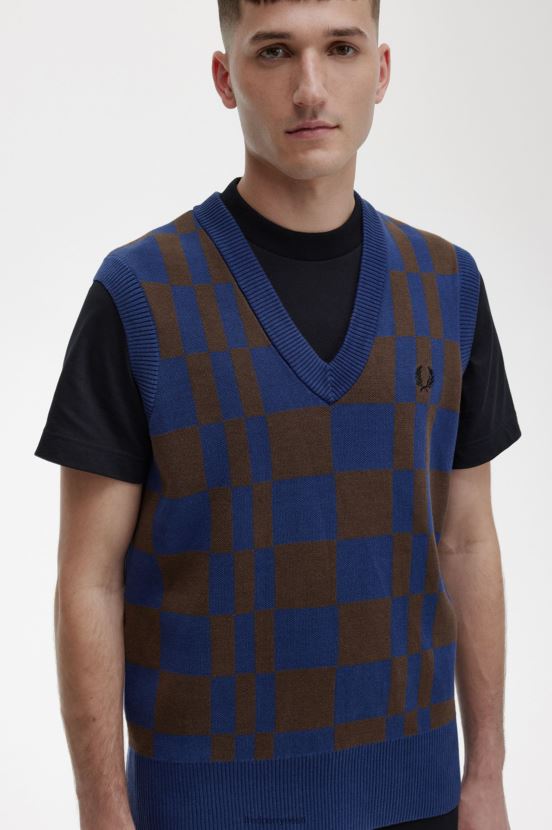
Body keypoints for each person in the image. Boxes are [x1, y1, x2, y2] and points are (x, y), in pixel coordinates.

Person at [35, 1, 522, 828]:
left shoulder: (449, 287)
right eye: (273, 53)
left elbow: (467, 540)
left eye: (341, 49)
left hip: (421, 799)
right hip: (200, 809)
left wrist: (486, 777)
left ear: (382, 71)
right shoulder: (139, 297)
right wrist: (102, 811)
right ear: (225, 77)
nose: (310, 88)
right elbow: (90, 578)